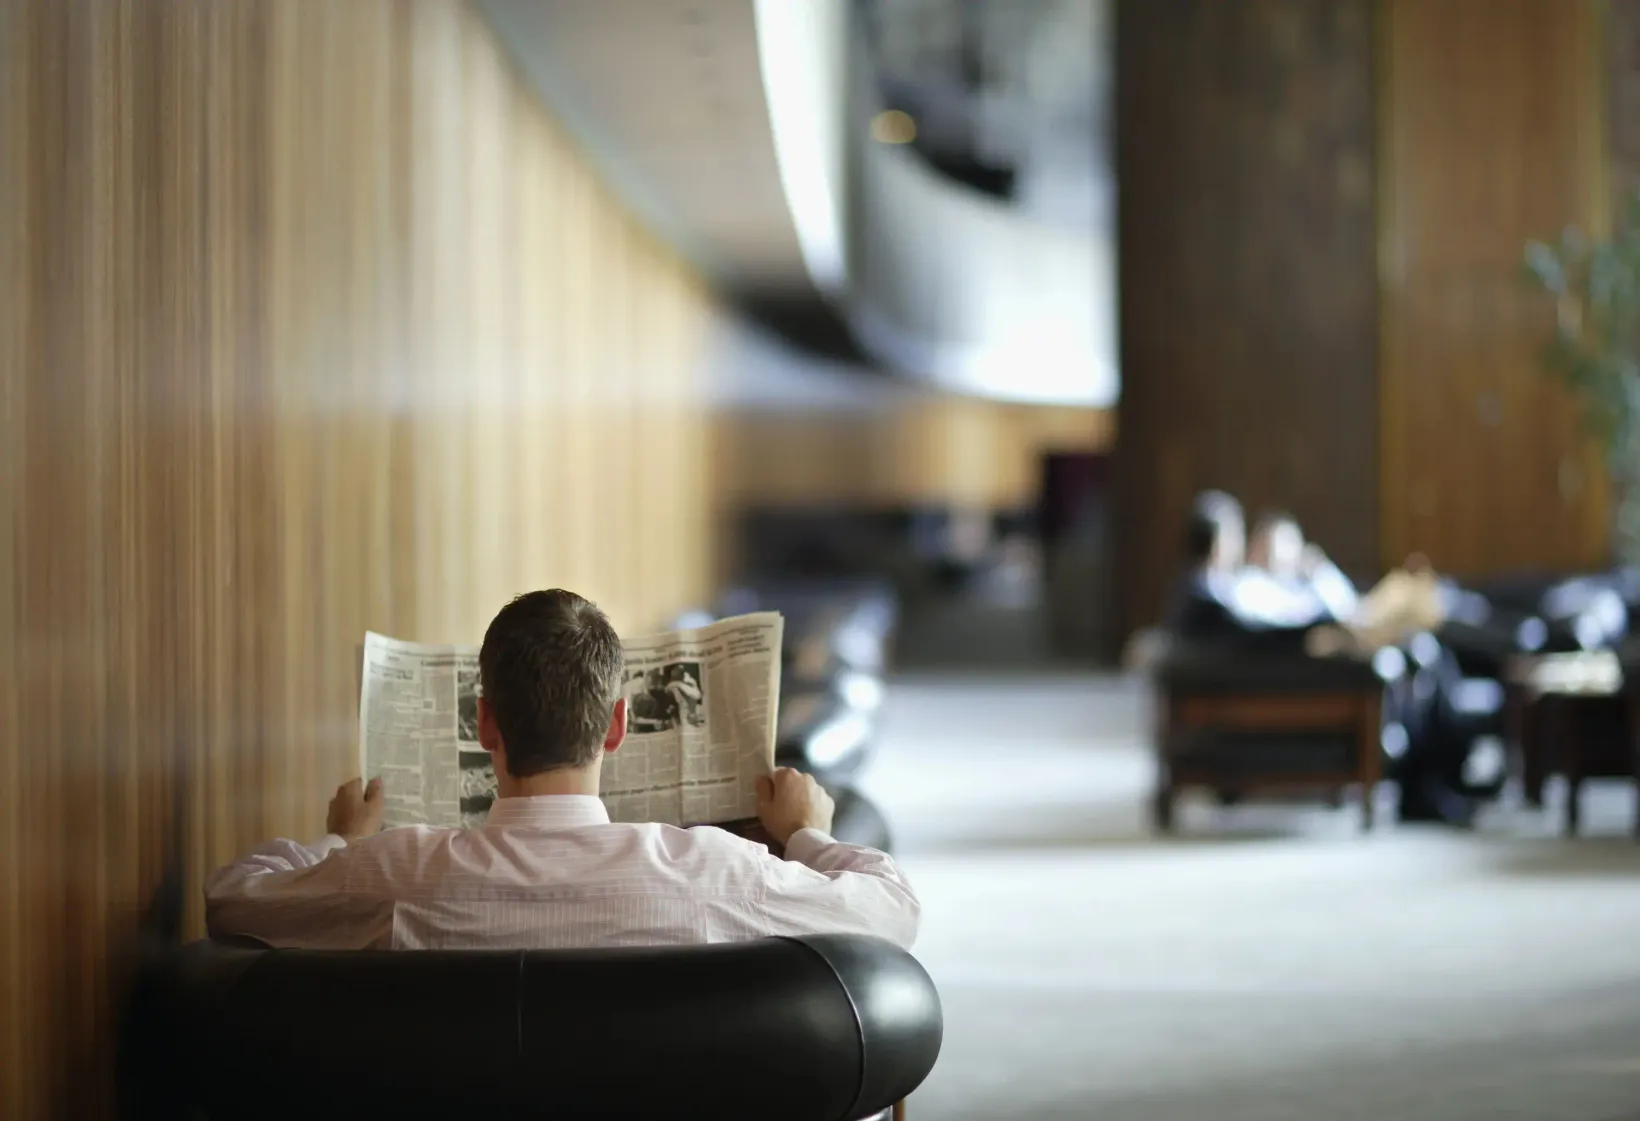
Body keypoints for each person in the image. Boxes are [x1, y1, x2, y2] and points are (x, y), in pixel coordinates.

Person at [205, 589, 919, 951]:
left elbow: (232, 900)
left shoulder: (393, 872)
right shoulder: (709, 871)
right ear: (615, 727)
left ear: (484, 724)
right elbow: (892, 911)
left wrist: (342, 843)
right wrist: (804, 835)